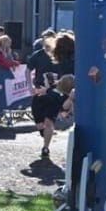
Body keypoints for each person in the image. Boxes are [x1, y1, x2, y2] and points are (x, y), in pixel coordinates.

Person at [31, 30, 75, 158]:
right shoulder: (59, 59)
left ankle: (46, 147)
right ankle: (45, 135)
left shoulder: (69, 62)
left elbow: (65, 83)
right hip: (49, 93)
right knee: (41, 122)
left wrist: (49, 90)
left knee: (49, 121)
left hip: (55, 94)